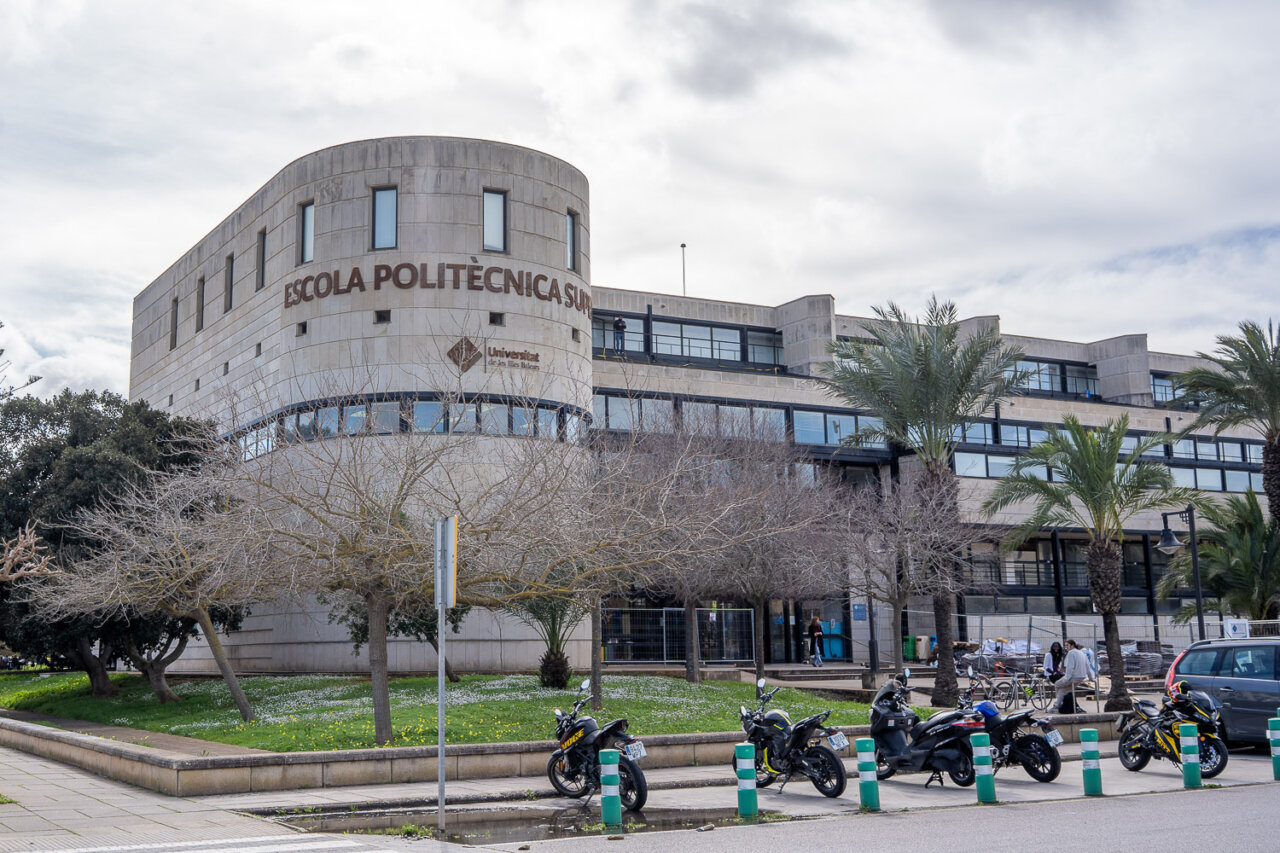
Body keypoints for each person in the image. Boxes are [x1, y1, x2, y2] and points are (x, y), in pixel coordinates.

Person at [1052, 638, 1089, 713]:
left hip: (1073, 677)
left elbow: (1070, 667)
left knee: (1057, 684)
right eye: (1065, 646)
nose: (1066, 647)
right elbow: (1087, 665)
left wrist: (1066, 678)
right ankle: (1058, 705)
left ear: (1072, 645)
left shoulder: (1071, 653)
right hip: (1081, 677)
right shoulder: (1082, 653)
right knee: (1063, 689)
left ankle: (1057, 706)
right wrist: (1091, 677)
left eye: (1067, 645)